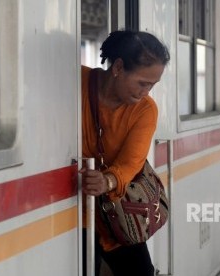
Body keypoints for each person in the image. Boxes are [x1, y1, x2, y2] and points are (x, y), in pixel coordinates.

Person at [80, 30, 170, 276]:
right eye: (143, 83)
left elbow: (131, 163)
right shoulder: (76, 82)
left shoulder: (145, 110)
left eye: (152, 85)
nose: (146, 92)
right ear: (118, 67)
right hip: (71, 215)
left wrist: (106, 180)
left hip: (115, 213)